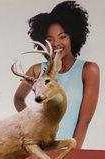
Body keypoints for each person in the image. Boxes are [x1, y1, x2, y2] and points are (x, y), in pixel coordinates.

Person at [13, 1, 99, 148]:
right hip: (40, 147)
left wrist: (74, 152)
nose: (56, 43)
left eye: (62, 36)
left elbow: (85, 119)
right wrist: (33, 123)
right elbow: (18, 99)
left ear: (72, 36)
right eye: (49, 39)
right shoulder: (37, 71)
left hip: (69, 148)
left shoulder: (88, 70)